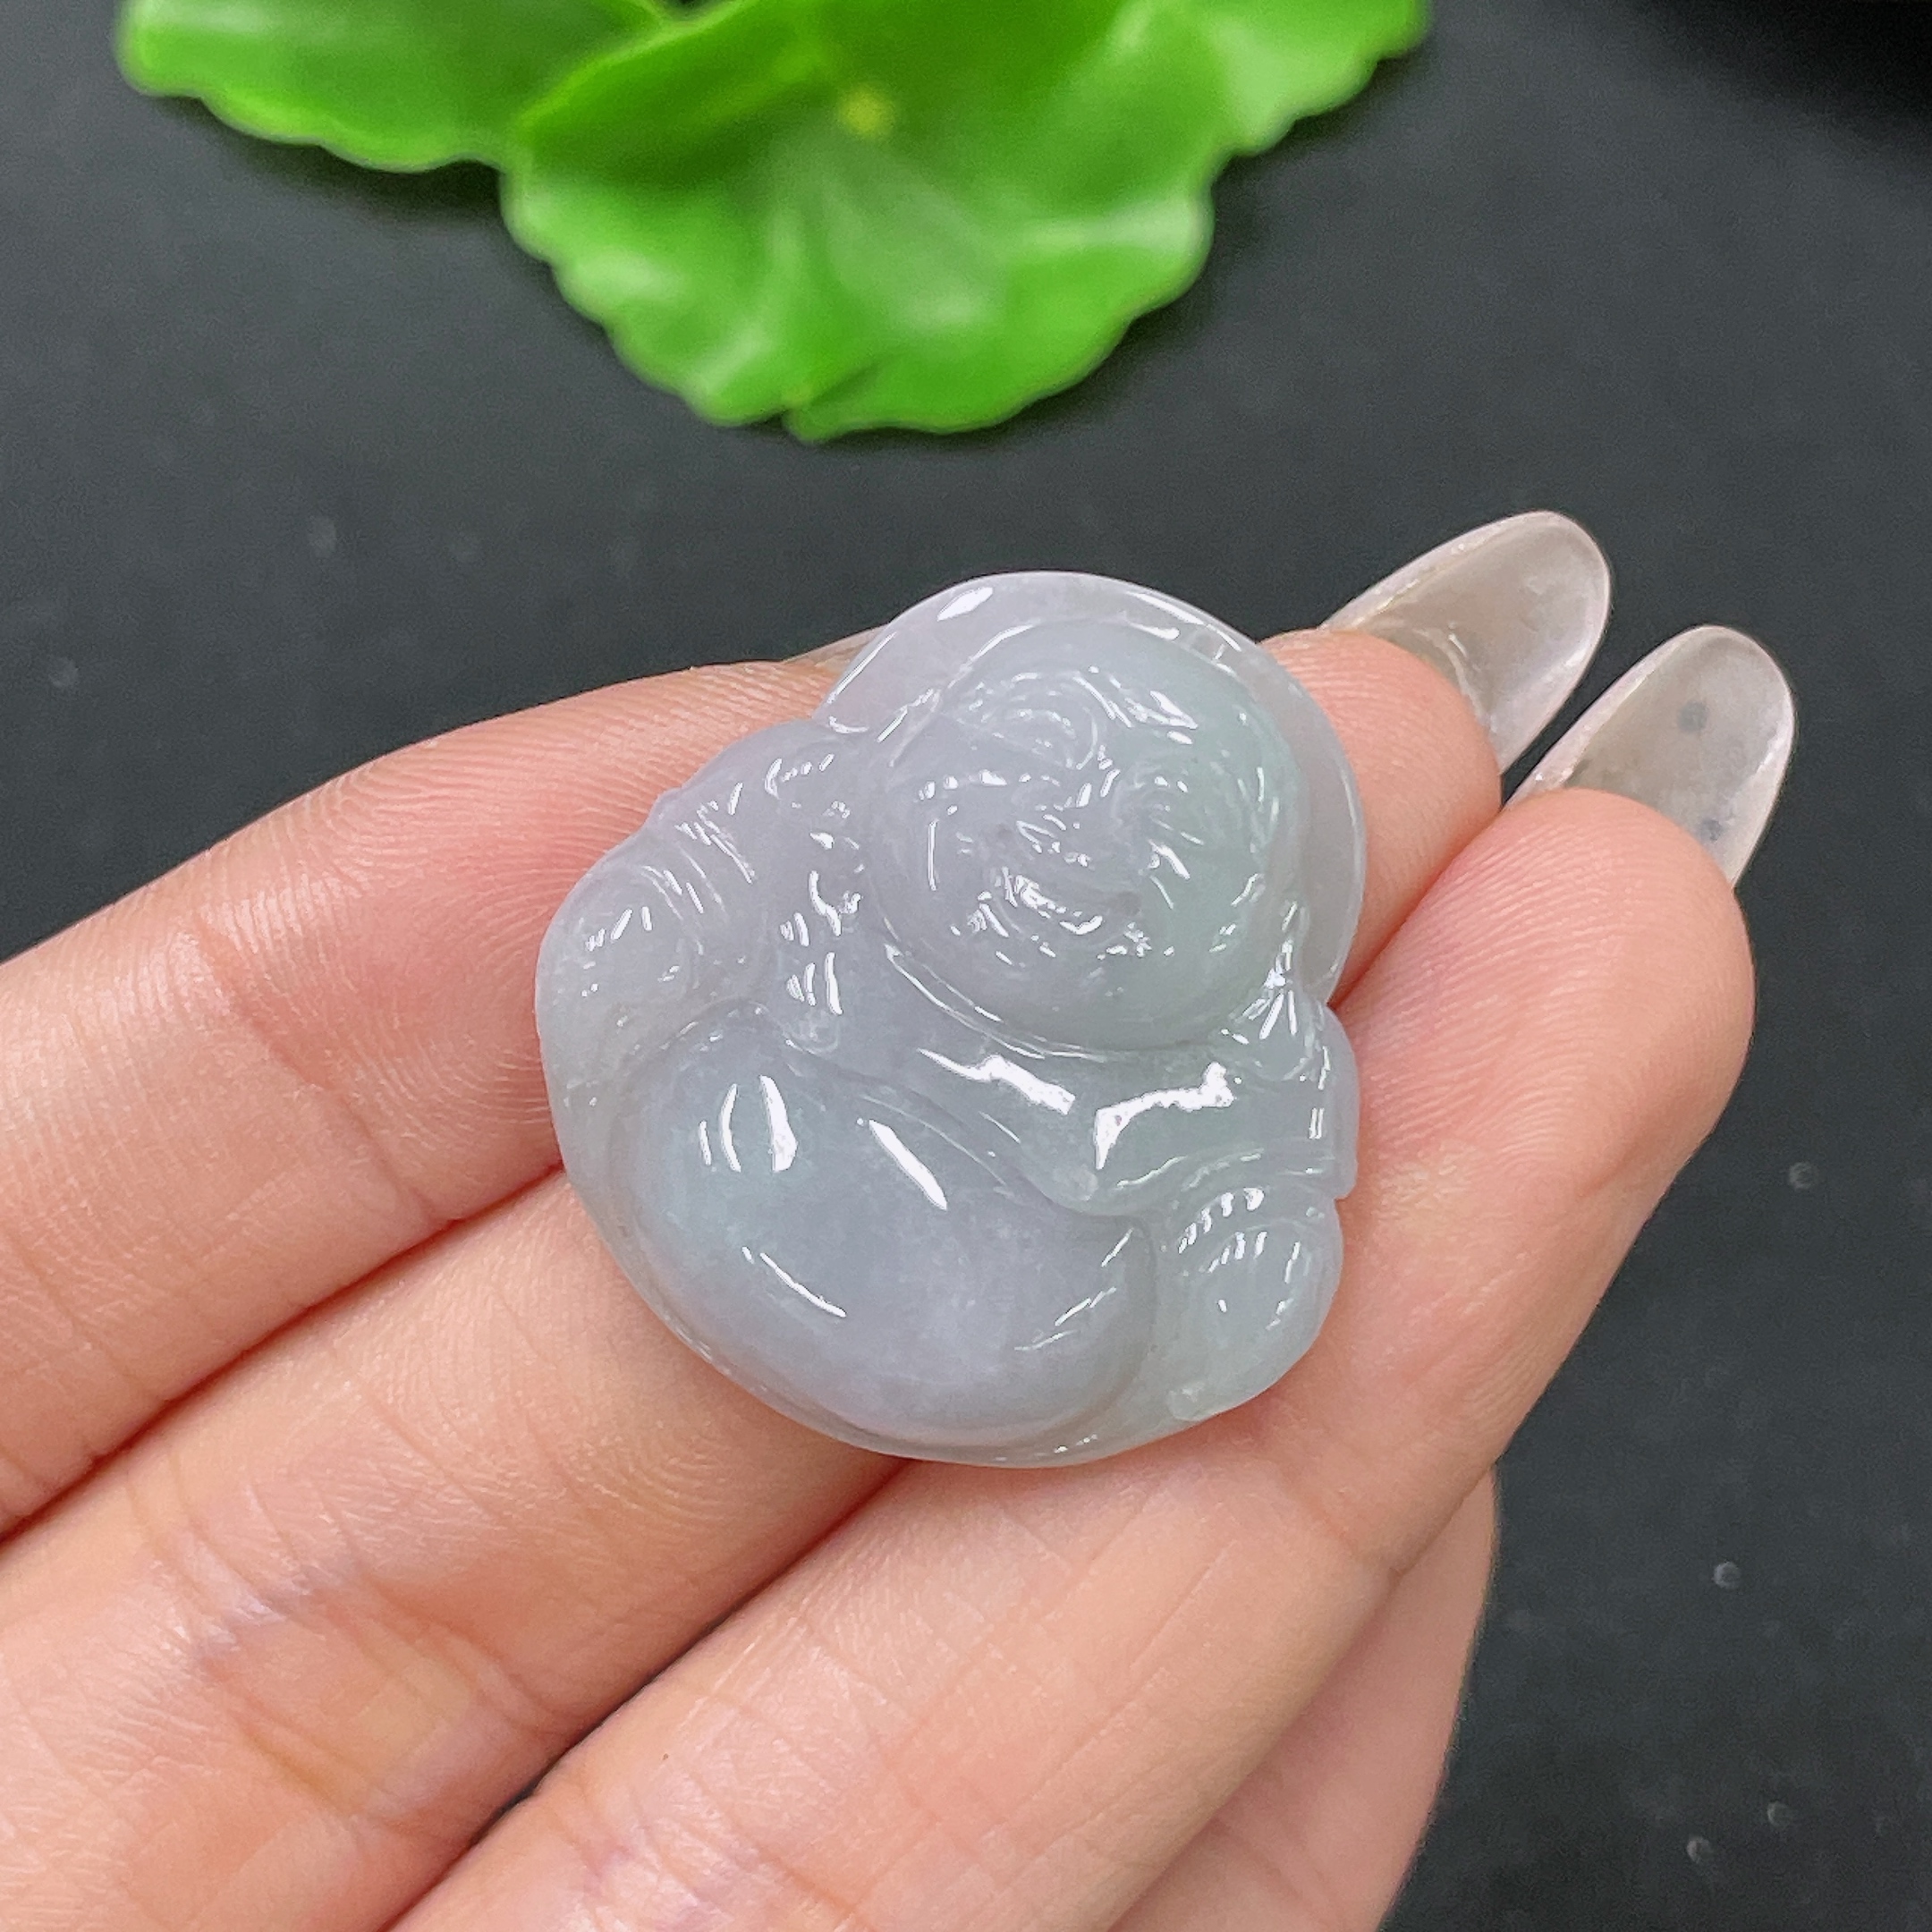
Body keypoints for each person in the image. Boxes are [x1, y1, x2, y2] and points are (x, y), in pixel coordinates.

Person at [0, 514, 1789, 1931]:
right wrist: (664, 945)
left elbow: (1260, 1253)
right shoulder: (798, 859)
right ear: (904, 757)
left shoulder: (1230, 1077)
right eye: (1036, 766)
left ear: (1250, 937)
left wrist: (1234, 1269)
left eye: (1171, 837)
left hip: (1016, 1317)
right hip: (748, 1146)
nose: (1081, 841)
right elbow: (642, 925)